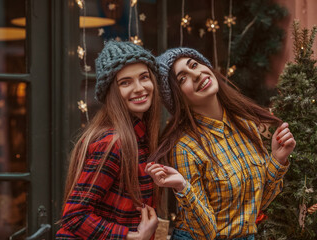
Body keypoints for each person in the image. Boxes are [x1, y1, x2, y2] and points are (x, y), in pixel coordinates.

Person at [145, 47, 296, 240]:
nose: (197, 74)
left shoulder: (245, 125)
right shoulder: (184, 147)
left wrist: (278, 159)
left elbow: (257, 203)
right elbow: (206, 232)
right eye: (183, 78)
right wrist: (183, 187)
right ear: (178, 99)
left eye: (194, 65)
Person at [56, 40, 162, 240]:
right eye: (125, 82)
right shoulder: (112, 143)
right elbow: (74, 216)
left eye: (144, 77)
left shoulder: (143, 139)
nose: (139, 88)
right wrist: (132, 237)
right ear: (111, 92)